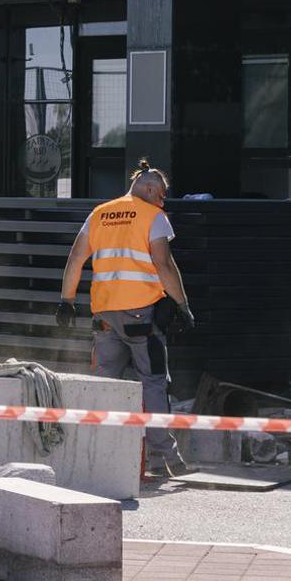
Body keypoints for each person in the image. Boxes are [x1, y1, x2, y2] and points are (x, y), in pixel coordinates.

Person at [56, 159, 196, 478]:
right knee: (154, 383)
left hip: (104, 315)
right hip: (142, 315)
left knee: (105, 385)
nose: (162, 202)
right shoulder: (153, 217)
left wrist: (66, 300)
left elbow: (77, 258)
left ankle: (100, 458)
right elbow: (164, 265)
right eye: (161, 195)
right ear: (149, 189)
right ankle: (166, 459)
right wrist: (182, 304)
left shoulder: (99, 213)